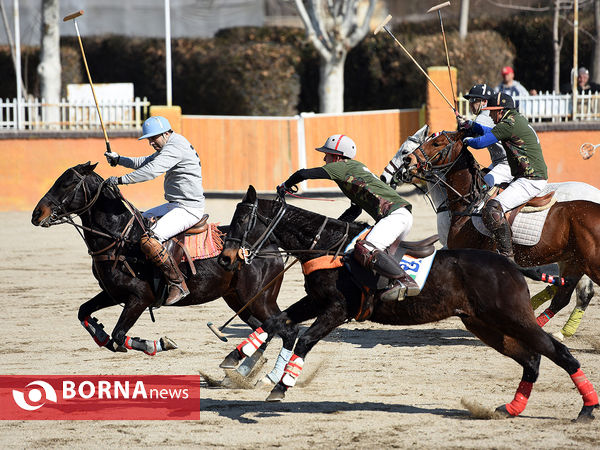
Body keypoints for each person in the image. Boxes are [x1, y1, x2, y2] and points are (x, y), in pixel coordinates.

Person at [276, 134, 416, 301]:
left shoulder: (342, 166)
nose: (324, 158)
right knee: (375, 261)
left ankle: (405, 281)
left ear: (336, 156)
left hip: (395, 215)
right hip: (400, 215)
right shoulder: (354, 171)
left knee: (366, 248)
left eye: (326, 154)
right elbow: (354, 211)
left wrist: (285, 186)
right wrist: (330, 232)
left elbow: (303, 174)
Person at [104, 116, 205, 305]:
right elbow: (146, 161)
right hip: (175, 204)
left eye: (153, 138)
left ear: (166, 133)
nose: (150, 142)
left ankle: (178, 283)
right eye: (149, 139)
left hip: (189, 208)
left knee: (151, 239)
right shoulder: (169, 144)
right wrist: (119, 160)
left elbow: (152, 170)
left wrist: (120, 180)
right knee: (137, 222)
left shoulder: (176, 146)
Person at [461, 92, 548, 261]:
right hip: (527, 176)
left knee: (492, 207)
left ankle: (506, 254)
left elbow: (481, 143)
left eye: (492, 112)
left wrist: (466, 140)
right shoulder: (513, 120)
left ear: (501, 111)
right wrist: (473, 126)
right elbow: (491, 131)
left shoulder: (508, 124)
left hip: (531, 179)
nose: (491, 115)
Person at [461, 84, 512, 188]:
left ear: (484, 102)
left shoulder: (483, 117)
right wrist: (469, 124)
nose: (470, 104)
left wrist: (464, 135)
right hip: (499, 162)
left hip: (508, 163)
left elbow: (478, 141)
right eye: (469, 100)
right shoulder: (489, 115)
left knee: (483, 186)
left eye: (473, 100)